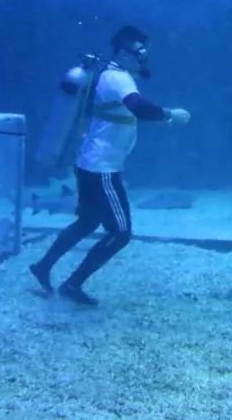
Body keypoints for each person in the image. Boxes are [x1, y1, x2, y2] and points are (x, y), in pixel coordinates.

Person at [29, 25, 191, 305]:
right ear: (126, 51)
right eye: (141, 51)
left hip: (90, 163)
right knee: (121, 232)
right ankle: (73, 284)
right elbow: (139, 107)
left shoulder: (110, 76)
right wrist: (170, 115)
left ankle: (43, 267)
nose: (144, 58)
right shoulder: (118, 79)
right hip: (102, 168)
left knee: (88, 221)